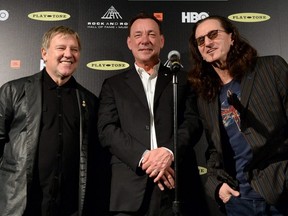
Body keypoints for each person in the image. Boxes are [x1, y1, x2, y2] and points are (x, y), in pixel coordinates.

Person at [97, 12, 203, 216]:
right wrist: (145, 157)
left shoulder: (182, 80)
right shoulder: (113, 85)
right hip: (129, 190)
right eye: (138, 35)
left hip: (176, 186)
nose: (145, 40)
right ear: (129, 42)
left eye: (151, 34)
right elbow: (106, 130)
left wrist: (168, 152)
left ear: (161, 40)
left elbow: (193, 123)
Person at [0, 26, 106, 216]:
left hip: (70, 207)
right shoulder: (13, 91)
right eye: (61, 48)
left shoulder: (89, 101)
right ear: (44, 53)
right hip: (21, 206)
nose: (68, 54)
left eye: (74, 49)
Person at [188, 15, 288, 215]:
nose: (207, 43)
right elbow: (213, 151)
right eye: (201, 40)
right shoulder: (206, 97)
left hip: (281, 192)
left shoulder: (271, 68)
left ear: (232, 37)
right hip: (238, 199)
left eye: (213, 34)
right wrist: (216, 187)